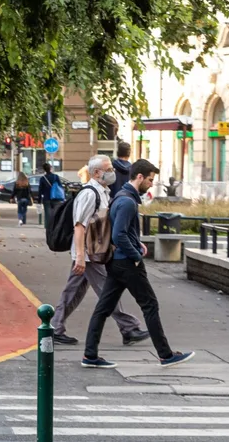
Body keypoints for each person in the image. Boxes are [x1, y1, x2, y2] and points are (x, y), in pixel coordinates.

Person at [83, 159, 194, 368]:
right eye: (150, 180)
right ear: (140, 177)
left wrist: (137, 243)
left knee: (104, 308)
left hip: (116, 263)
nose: (152, 184)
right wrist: (135, 255)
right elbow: (118, 235)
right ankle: (165, 354)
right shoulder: (127, 202)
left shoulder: (121, 197)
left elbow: (122, 231)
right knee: (150, 305)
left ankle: (90, 355)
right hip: (127, 263)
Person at [49, 154, 148, 347]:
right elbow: (79, 226)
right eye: (109, 169)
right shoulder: (89, 194)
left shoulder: (103, 191)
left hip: (92, 253)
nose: (113, 172)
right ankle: (129, 328)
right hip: (89, 254)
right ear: (96, 173)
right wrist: (79, 256)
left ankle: (54, 327)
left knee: (73, 291)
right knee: (108, 290)